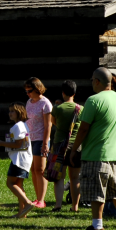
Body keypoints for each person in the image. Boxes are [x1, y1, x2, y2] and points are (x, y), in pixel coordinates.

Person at [70, 68, 116, 230]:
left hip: (95, 153)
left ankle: (97, 227)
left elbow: (83, 129)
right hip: (113, 154)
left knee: (96, 192)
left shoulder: (93, 100)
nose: (91, 83)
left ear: (97, 81)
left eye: (92, 80)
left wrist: (74, 149)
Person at [0, 103, 34, 218]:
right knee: (19, 185)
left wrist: (1, 143)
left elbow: (18, 144)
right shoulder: (23, 125)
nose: (10, 113)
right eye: (9, 111)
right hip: (25, 159)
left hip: (19, 160)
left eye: (12, 111)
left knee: (10, 183)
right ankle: (22, 213)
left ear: (19, 113)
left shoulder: (18, 126)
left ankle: (27, 203)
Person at [50, 80, 81, 212]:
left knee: (59, 177)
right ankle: (75, 206)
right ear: (74, 93)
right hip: (76, 146)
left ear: (63, 93)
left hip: (59, 146)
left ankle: (58, 204)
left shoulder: (57, 109)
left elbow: (54, 123)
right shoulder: (81, 109)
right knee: (74, 178)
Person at [24, 77, 53, 208]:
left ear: (37, 89)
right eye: (26, 91)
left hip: (41, 139)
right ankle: (37, 198)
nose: (28, 93)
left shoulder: (45, 103)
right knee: (33, 169)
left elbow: (48, 125)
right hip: (30, 139)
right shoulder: (29, 102)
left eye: (30, 90)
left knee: (40, 170)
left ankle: (42, 200)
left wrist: (46, 143)